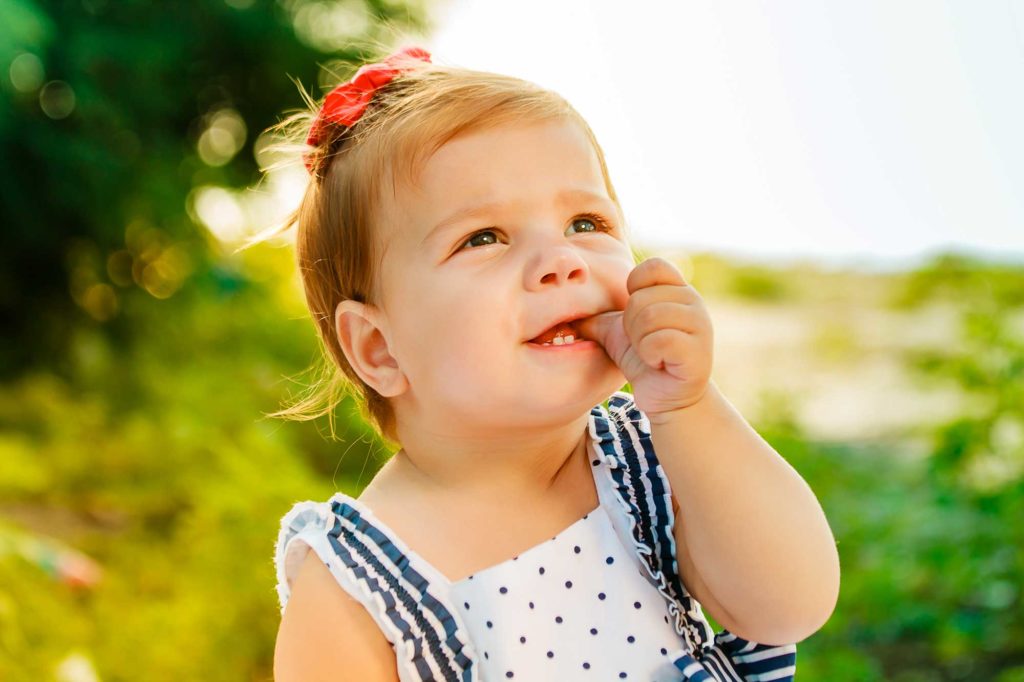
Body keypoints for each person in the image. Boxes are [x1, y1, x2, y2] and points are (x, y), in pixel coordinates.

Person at [264, 45, 840, 681]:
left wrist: (689, 406)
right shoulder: (358, 587)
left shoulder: (645, 461)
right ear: (379, 347)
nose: (561, 260)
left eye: (585, 221)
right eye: (483, 238)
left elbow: (788, 608)